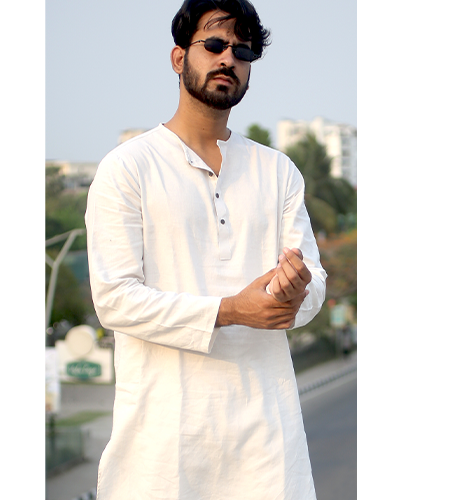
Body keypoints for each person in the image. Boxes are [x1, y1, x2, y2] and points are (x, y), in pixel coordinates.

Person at [85, 0, 327, 498]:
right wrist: (231, 310)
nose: (228, 59)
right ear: (179, 58)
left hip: (267, 452)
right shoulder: (128, 168)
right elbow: (114, 299)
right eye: (214, 44)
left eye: (242, 51)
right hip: (162, 453)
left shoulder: (277, 171)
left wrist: (296, 290)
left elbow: (314, 283)